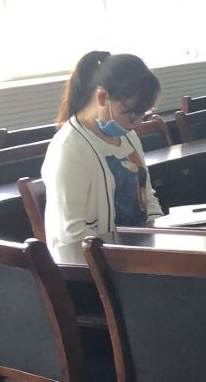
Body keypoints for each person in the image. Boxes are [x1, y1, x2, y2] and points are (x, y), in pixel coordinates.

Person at [42, 51, 163, 247]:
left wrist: (162, 235)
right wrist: (125, 255)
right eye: (131, 113)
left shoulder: (128, 136)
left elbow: (148, 200)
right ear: (102, 97)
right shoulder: (70, 148)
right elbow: (72, 232)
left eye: (142, 114)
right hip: (85, 259)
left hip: (134, 251)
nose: (137, 123)